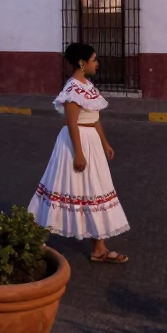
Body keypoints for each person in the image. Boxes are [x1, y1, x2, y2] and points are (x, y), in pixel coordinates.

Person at [27, 42, 130, 263]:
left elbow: (94, 119)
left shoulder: (89, 87)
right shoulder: (72, 89)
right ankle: (34, 239)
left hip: (92, 144)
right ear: (83, 63)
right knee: (63, 187)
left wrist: (105, 142)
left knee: (95, 190)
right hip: (76, 145)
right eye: (94, 60)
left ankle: (99, 249)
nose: (97, 64)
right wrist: (79, 153)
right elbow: (73, 124)